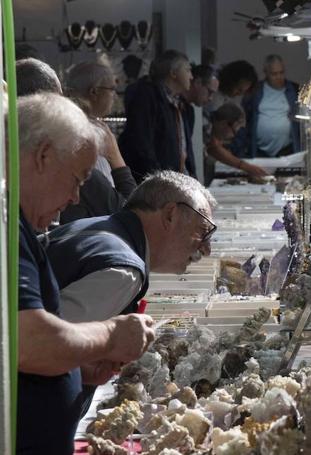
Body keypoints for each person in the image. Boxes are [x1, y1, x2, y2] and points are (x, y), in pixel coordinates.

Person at [16, 92, 155, 455]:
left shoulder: (20, 225)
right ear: (44, 156)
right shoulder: (8, 230)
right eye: (77, 179)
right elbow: (29, 342)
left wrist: (76, 365)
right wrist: (109, 335)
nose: (76, 198)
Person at [45, 170, 216, 417]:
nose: (207, 249)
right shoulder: (123, 270)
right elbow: (45, 345)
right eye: (203, 232)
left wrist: (84, 365)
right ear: (170, 214)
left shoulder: (104, 228)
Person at [61, 60, 137, 223]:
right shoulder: (84, 136)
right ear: (94, 92)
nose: (115, 96)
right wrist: (116, 158)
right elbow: (133, 213)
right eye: (112, 89)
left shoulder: (75, 128)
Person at [119, 49, 194, 181]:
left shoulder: (179, 104)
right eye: (188, 70)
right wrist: (158, 178)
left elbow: (183, 148)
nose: (191, 76)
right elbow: (142, 143)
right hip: (157, 183)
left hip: (175, 180)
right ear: (173, 73)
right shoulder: (146, 97)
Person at [235, 55, 301, 158]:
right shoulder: (255, 91)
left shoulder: (294, 90)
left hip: (287, 149)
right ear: (265, 72)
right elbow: (244, 118)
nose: (279, 77)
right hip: (259, 150)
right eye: (274, 74)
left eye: (281, 72)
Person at [205, 103, 269, 184]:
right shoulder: (205, 125)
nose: (232, 136)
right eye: (234, 132)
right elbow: (215, 149)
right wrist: (247, 167)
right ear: (224, 124)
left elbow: (215, 147)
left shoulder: (212, 127)